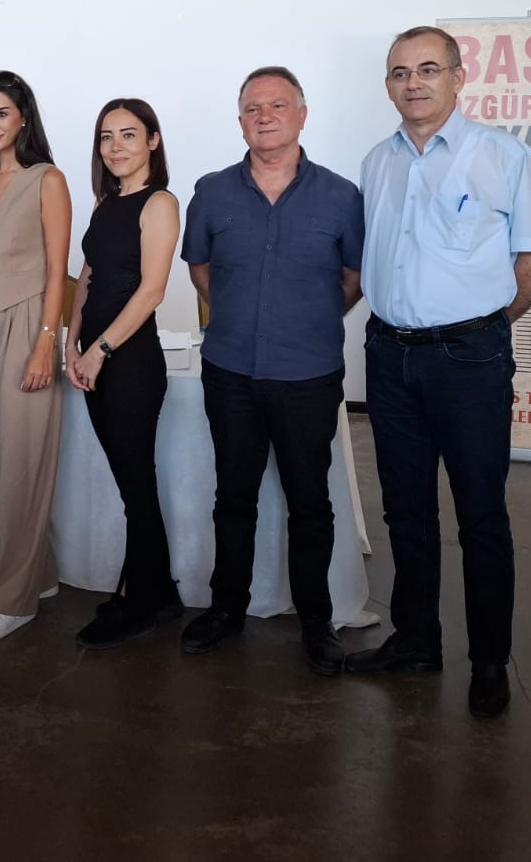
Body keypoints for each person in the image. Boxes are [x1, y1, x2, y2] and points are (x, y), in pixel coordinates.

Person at [344, 26, 531, 718]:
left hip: (469, 359)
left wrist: (484, 326)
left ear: (459, 77)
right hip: (388, 355)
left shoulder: (503, 155)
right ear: (388, 85)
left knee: (481, 513)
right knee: (405, 507)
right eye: (400, 72)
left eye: (428, 69)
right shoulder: (377, 162)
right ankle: (416, 640)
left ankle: (489, 660)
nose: (414, 83)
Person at [179, 67, 364, 675]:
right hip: (230, 370)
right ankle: (226, 609)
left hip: (308, 374)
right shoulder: (212, 192)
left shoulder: (341, 196)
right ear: (240, 121)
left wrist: (306, 319)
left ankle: (317, 622)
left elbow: (354, 278)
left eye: (278, 105)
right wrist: (239, 314)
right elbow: (201, 269)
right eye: (253, 108)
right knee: (233, 497)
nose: (265, 117)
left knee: (310, 501)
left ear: (302, 115)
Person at [0, 71, 72, 644]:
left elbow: (57, 268)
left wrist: (46, 342)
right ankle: (32, 572)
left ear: (24, 116)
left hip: (28, 321)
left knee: (20, 461)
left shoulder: (47, 179)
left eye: (2, 112)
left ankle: (13, 598)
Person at [65, 99, 183, 649]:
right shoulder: (105, 202)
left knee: (136, 483)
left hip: (131, 362)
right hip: (95, 355)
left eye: (129, 134)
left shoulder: (160, 203)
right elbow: (87, 277)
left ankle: (144, 600)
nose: (116, 146)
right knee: (129, 482)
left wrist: (100, 350)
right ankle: (156, 591)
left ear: (153, 141)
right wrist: (71, 341)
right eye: (107, 136)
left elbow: (151, 291)